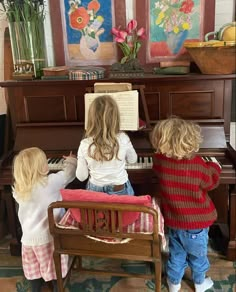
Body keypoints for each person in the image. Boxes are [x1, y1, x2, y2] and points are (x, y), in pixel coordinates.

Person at [151, 117, 221, 292]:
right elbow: (211, 181)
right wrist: (215, 166)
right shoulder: (197, 165)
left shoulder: (161, 162)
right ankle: (199, 284)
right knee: (198, 257)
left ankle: (174, 284)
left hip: (175, 222)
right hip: (196, 226)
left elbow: (157, 163)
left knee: (177, 254)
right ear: (191, 141)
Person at [12, 147, 77, 292]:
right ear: (41, 167)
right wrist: (71, 160)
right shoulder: (51, 182)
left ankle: (35, 287)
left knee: (32, 264)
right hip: (48, 236)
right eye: (45, 162)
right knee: (53, 264)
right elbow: (69, 174)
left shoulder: (19, 188)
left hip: (28, 239)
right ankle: (56, 285)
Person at [76, 95, 137, 195]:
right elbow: (133, 160)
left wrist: (77, 160)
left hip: (95, 193)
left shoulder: (84, 144)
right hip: (120, 190)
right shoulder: (123, 138)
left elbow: (81, 177)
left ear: (91, 119)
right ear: (115, 118)